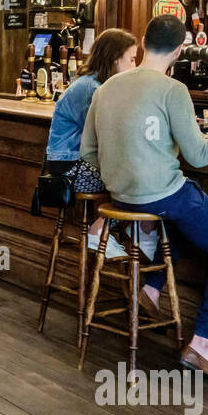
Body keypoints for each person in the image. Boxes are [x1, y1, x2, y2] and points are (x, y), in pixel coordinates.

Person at [80, 14, 208, 381]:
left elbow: (89, 151)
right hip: (162, 195)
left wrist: (125, 168)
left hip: (122, 199)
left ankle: (150, 292)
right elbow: (199, 155)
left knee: (185, 224)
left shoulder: (105, 89)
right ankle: (201, 344)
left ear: (142, 40)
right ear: (181, 50)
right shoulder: (173, 90)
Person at [44, 27, 139, 257]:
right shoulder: (92, 88)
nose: (135, 66)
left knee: (136, 178)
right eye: (132, 59)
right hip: (68, 170)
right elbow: (104, 133)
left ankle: (136, 231)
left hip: (70, 165)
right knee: (136, 181)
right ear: (115, 58)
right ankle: (101, 231)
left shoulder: (95, 84)